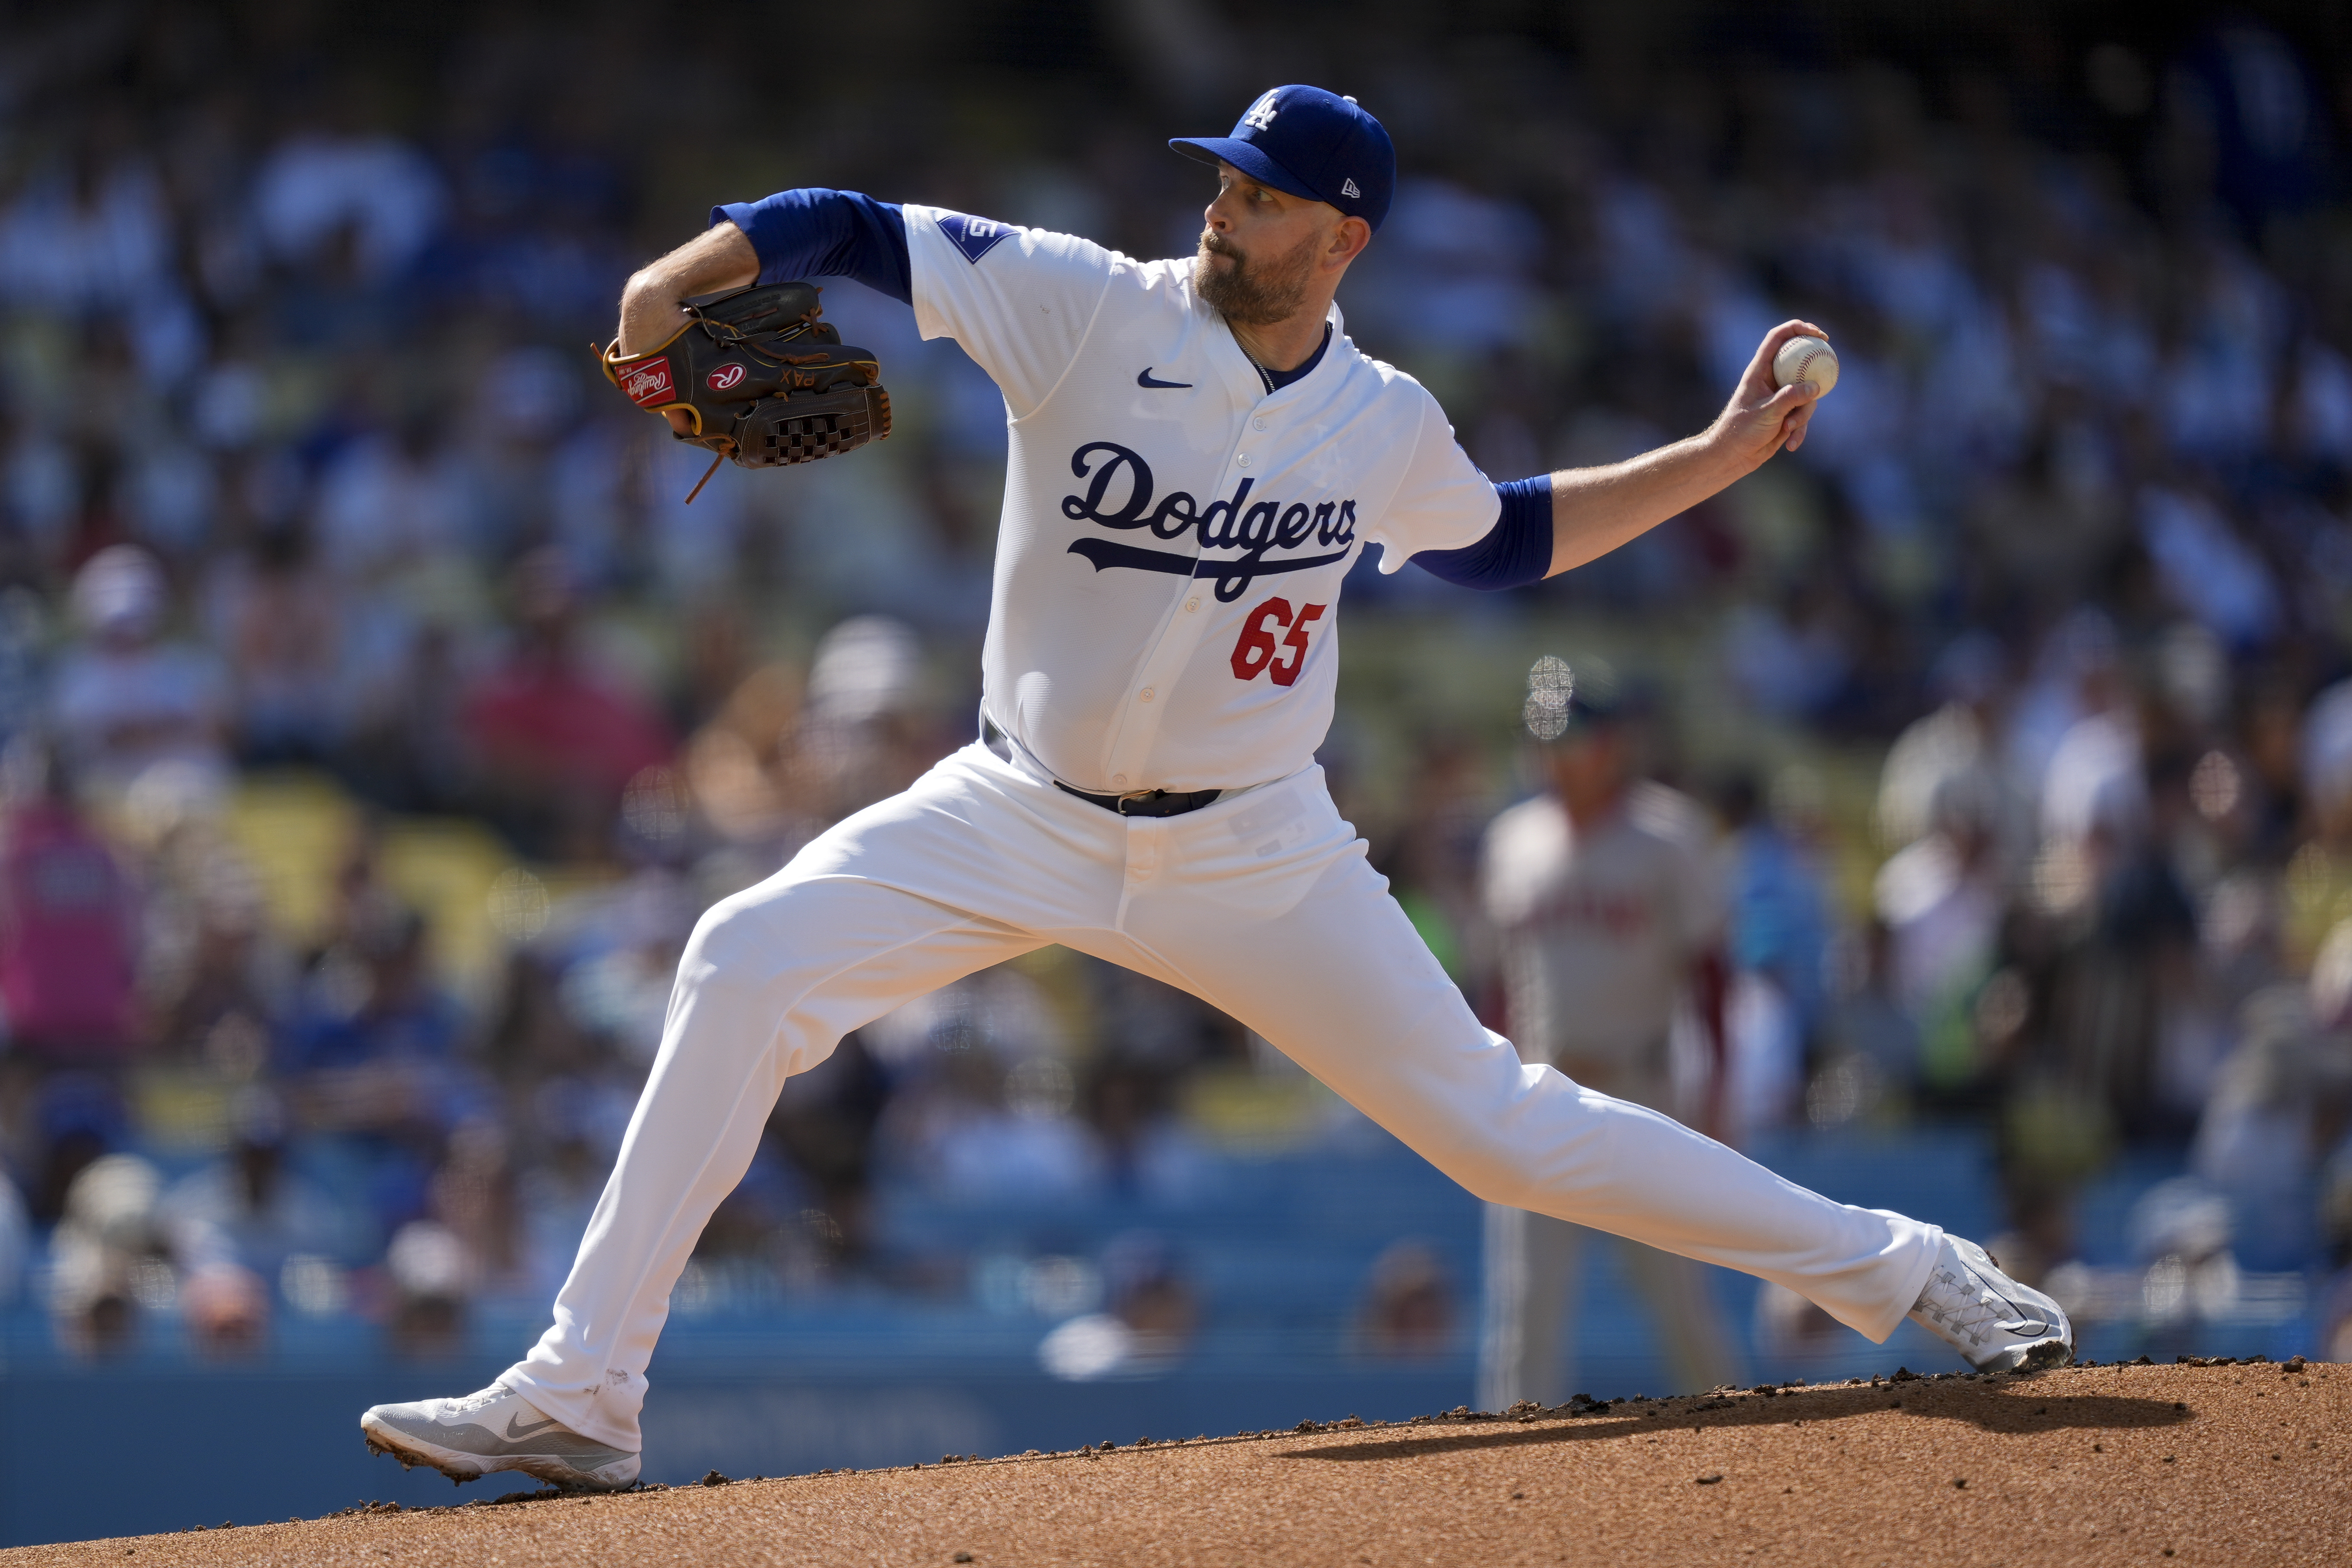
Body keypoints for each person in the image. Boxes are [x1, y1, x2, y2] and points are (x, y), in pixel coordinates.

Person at [361, 85, 2070, 1492]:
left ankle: (1908, 1267)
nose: (1222, 208)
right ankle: (584, 1389)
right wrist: (678, 281)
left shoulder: (1379, 421)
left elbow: (1505, 544)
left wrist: (1708, 460)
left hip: (1255, 848)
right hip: (1012, 808)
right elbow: (842, 222)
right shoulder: (1082, 302)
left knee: (1500, 1129)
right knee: (741, 955)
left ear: (1341, 237)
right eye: (1223, 182)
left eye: (1260, 196)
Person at [1475, 678, 1743, 1408]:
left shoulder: (1667, 833)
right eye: (1543, 739)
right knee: (1524, 1307)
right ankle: (1507, 1469)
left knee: (1677, 1293)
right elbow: (1498, 982)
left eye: (1571, 738)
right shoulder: (1512, 839)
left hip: (1639, 1084)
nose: (1556, 755)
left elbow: (1711, 971)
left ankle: (1740, 1438)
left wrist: (1718, 1079)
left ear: (1613, 745)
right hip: (1538, 1091)